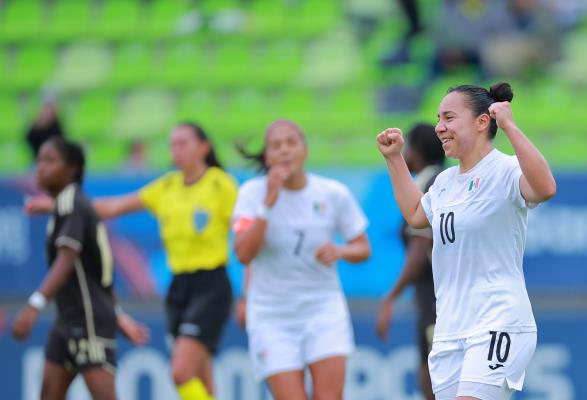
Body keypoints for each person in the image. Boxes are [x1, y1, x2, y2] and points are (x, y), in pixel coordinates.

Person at [25, 122, 237, 400]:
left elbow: (246, 233)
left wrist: (249, 290)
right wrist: (56, 205)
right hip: (178, 288)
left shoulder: (220, 184)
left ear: (204, 147)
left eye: (183, 143)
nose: (176, 150)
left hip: (211, 284)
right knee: (200, 377)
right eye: (172, 144)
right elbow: (110, 208)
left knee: (181, 372)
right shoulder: (167, 186)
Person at [376, 82, 557, 400]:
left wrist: (510, 126)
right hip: (450, 330)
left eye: (448, 117)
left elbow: (544, 188)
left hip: (497, 321)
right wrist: (394, 159)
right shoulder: (445, 181)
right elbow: (417, 215)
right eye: (438, 119)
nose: (439, 127)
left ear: (482, 121)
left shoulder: (504, 170)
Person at [232, 120, 372, 400]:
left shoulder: (333, 193)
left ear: (305, 150)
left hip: (323, 311)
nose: (284, 151)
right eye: (276, 145)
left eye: (291, 143)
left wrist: (340, 251)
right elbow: (243, 253)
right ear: (267, 155)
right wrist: (268, 203)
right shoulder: (251, 194)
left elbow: (363, 248)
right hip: (272, 317)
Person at [13, 136, 149, 400]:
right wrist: (119, 316)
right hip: (69, 319)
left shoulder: (72, 202)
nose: (40, 167)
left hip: (88, 321)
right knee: (49, 394)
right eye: (39, 160)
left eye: (50, 160)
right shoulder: (68, 206)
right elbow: (97, 274)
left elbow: (66, 260)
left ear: (72, 169)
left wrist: (34, 305)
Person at [376, 123, 446, 400]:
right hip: (431, 298)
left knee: (436, 379)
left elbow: (420, 247)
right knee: (429, 375)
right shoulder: (440, 179)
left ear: (415, 150)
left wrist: (390, 297)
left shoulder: (429, 184)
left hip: (436, 299)